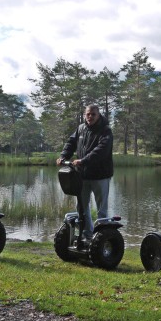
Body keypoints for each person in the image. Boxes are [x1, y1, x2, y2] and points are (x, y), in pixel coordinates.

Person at [57, 104, 114, 243]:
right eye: (88, 114)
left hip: (100, 176)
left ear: (98, 115)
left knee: (102, 209)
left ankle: (101, 238)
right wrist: (64, 156)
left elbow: (101, 150)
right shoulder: (81, 129)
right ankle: (88, 234)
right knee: (82, 206)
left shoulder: (105, 131)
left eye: (93, 114)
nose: (90, 116)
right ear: (84, 115)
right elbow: (70, 142)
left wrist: (83, 160)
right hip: (82, 175)